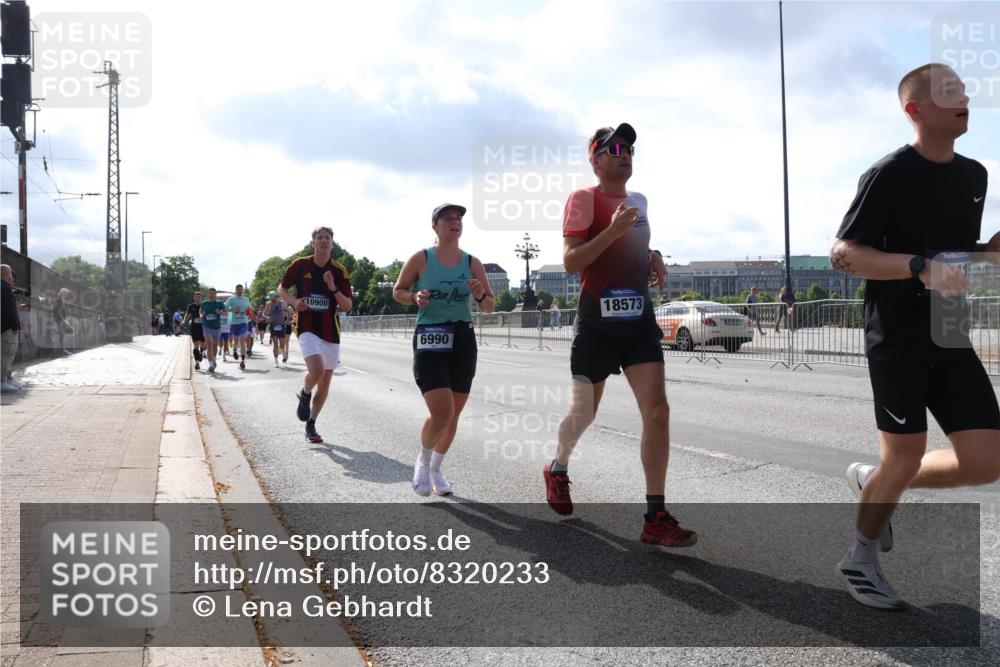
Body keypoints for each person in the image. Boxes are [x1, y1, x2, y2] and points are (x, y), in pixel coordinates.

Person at [830, 63, 1000, 610]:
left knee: (988, 459)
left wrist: (990, 253)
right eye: (949, 91)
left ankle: (878, 481)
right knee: (904, 457)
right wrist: (916, 266)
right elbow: (845, 255)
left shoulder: (975, 176)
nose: (964, 96)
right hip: (898, 334)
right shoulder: (889, 174)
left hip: (949, 331)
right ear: (915, 110)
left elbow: (954, 257)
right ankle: (860, 557)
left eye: (965, 90)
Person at [545, 123, 694, 547]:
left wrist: (654, 256)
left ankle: (655, 515)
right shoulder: (583, 199)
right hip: (596, 322)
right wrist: (610, 231)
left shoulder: (639, 200)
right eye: (613, 148)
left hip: (637, 322)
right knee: (584, 414)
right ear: (594, 159)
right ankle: (558, 467)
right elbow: (572, 262)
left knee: (658, 412)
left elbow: (637, 246)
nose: (624, 153)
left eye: (629, 148)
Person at [393, 203, 495, 496]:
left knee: (453, 416)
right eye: (448, 218)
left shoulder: (472, 262)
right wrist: (414, 297)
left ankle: (437, 469)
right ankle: (423, 462)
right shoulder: (421, 258)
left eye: (459, 218)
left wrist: (479, 296)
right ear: (435, 226)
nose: (455, 222)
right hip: (430, 337)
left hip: (463, 338)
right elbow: (397, 291)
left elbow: (489, 306)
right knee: (442, 411)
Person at [277, 226, 353, 444]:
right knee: (317, 370)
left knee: (326, 382)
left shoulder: (339, 271)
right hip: (307, 326)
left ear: (332, 243)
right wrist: (293, 301)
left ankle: (311, 423)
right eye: (319, 238)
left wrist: (333, 288)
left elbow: (347, 306)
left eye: (327, 238)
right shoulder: (300, 265)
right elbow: (282, 289)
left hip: (331, 330)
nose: (323, 241)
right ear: (313, 243)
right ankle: (305, 390)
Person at [1, 265, 27, 392]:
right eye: (10, 273)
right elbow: (8, 310)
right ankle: (2, 381)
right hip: (7, 329)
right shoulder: (4, 288)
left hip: (6, 327)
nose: (12, 276)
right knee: (7, 354)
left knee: (6, 355)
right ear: (6, 274)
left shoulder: (5, 288)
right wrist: (15, 325)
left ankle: (6, 379)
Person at [199, 288, 226, 373]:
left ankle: (214, 359)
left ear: (215, 295)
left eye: (213, 293)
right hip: (207, 326)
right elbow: (200, 311)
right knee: (209, 343)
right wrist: (201, 315)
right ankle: (210, 365)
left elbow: (226, 313)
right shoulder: (204, 303)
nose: (211, 295)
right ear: (208, 295)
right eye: (210, 293)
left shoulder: (220, 303)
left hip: (217, 327)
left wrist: (220, 313)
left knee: (215, 345)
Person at [224, 285, 252, 370]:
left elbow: (249, 308)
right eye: (238, 289)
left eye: (241, 289)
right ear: (235, 290)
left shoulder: (246, 299)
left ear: (243, 290)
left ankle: (242, 360)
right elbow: (224, 308)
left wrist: (249, 312)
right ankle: (235, 350)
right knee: (235, 341)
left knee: (242, 340)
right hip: (234, 323)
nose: (240, 291)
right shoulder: (231, 299)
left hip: (243, 322)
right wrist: (232, 310)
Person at [179, 291, 206, 370]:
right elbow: (187, 314)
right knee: (196, 344)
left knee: (203, 344)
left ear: (201, 298)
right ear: (194, 298)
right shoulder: (191, 306)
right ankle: (197, 363)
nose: (197, 299)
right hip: (194, 327)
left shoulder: (203, 306)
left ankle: (201, 353)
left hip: (202, 328)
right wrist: (184, 321)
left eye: (199, 297)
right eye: (196, 297)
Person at [265, 291, 287, 366]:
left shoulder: (282, 303)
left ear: (276, 297)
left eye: (272, 298)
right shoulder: (268, 304)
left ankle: (281, 352)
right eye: (270, 298)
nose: (271, 300)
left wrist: (287, 319)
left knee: (282, 344)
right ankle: (276, 361)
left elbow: (288, 311)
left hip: (281, 324)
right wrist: (267, 317)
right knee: (275, 343)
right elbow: (264, 314)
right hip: (273, 325)